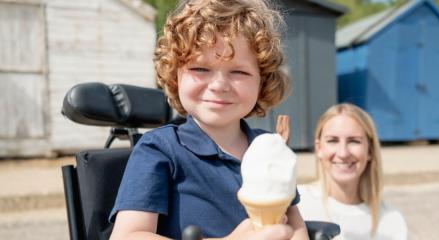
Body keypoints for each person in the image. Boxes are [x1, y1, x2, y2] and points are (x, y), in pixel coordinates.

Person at [108, 0, 308, 239]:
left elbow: (296, 226)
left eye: (239, 72)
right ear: (175, 75)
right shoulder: (159, 149)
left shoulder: (269, 148)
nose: (219, 85)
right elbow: (128, 236)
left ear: (262, 82)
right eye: (200, 69)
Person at [297, 103, 407, 240]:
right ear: (319, 148)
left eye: (354, 141)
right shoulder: (295, 204)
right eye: (332, 140)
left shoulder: (392, 222)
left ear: (370, 150)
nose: (343, 153)